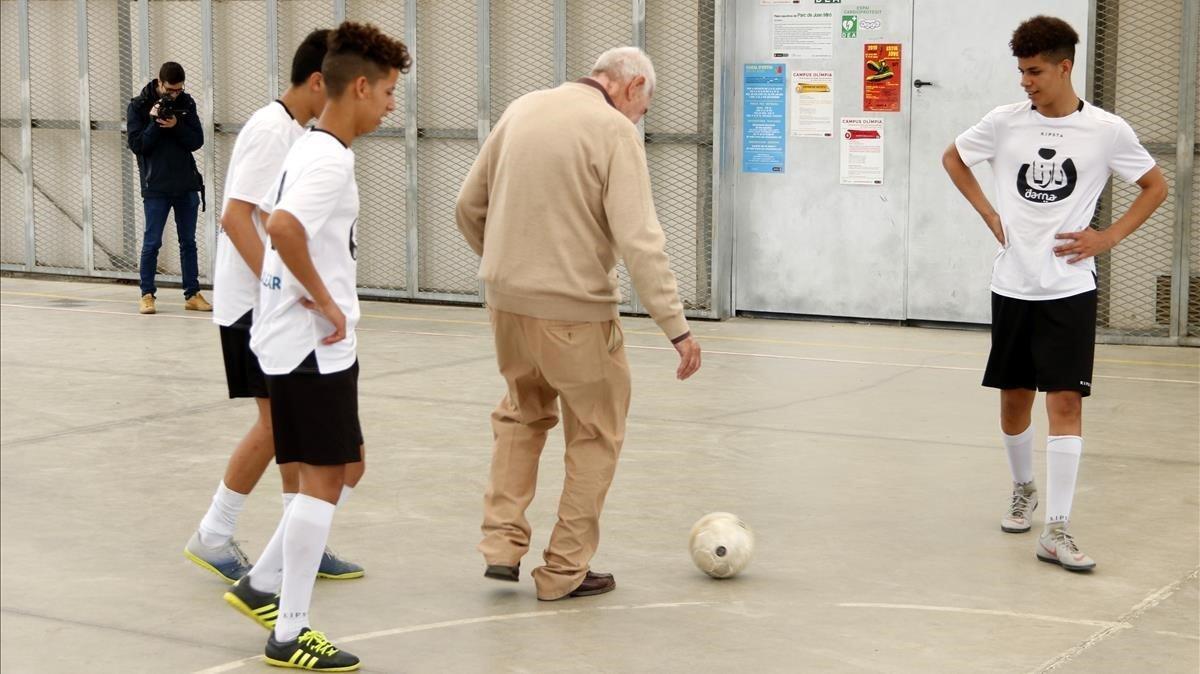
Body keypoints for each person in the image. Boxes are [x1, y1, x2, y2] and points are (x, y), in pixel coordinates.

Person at [455, 46, 703, 601]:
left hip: (506, 306)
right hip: (576, 314)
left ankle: (501, 546)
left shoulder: (522, 109)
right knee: (595, 433)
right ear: (632, 85)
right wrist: (676, 326)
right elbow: (640, 241)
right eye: (645, 106)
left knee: (521, 415)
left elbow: (467, 206)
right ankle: (563, 570)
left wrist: (505, 266)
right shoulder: (613, 132)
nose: (640, 118)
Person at [942, 15, 1167, 572]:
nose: (1026, 81)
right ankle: (1023, 488)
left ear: (1065, 67)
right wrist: (990, 212)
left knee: (1065, 401)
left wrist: (1108, 236)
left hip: (1069, 287)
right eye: (1021, 71)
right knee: (1015, 399)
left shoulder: (1107, 131)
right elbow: (953, 158)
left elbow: (1155, 185)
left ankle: (1058, 529)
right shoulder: (1003, 123)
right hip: (1013, 284)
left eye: (1036, 71)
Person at [220, 21, 409, 671]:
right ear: (359, 86)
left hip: (296, 342)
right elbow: (284, 227)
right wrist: (326, 303)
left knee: (347, 465)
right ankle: (289, 630)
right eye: (387, 91)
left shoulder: (311, 145)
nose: (391, 105)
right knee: (327, 479)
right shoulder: (326, 158)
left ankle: (263, 582)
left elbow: (279, 229)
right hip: (310, 345)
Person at [184, 29, 363, 587]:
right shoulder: (270, 130)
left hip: (273, 304)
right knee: (275, 425)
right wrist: (280, 285)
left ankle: (296, 541)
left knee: (289, 429)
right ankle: (215, 534)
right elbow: (236, 217)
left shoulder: (302, 134)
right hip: (253, 307)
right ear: (318, 81)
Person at [126, 61, 211, 314]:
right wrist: (154, 123)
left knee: (188, 242)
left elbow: (197, 140)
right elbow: (137, 145)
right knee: (152, 242)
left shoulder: (186, 103)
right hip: (156, 186)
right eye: (171, 89)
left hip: (185, 184)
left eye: (179, 89)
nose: (175, 94)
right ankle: (147, 294)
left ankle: (192, 293)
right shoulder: (139, 105)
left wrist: (177, 126)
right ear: (159, 83)